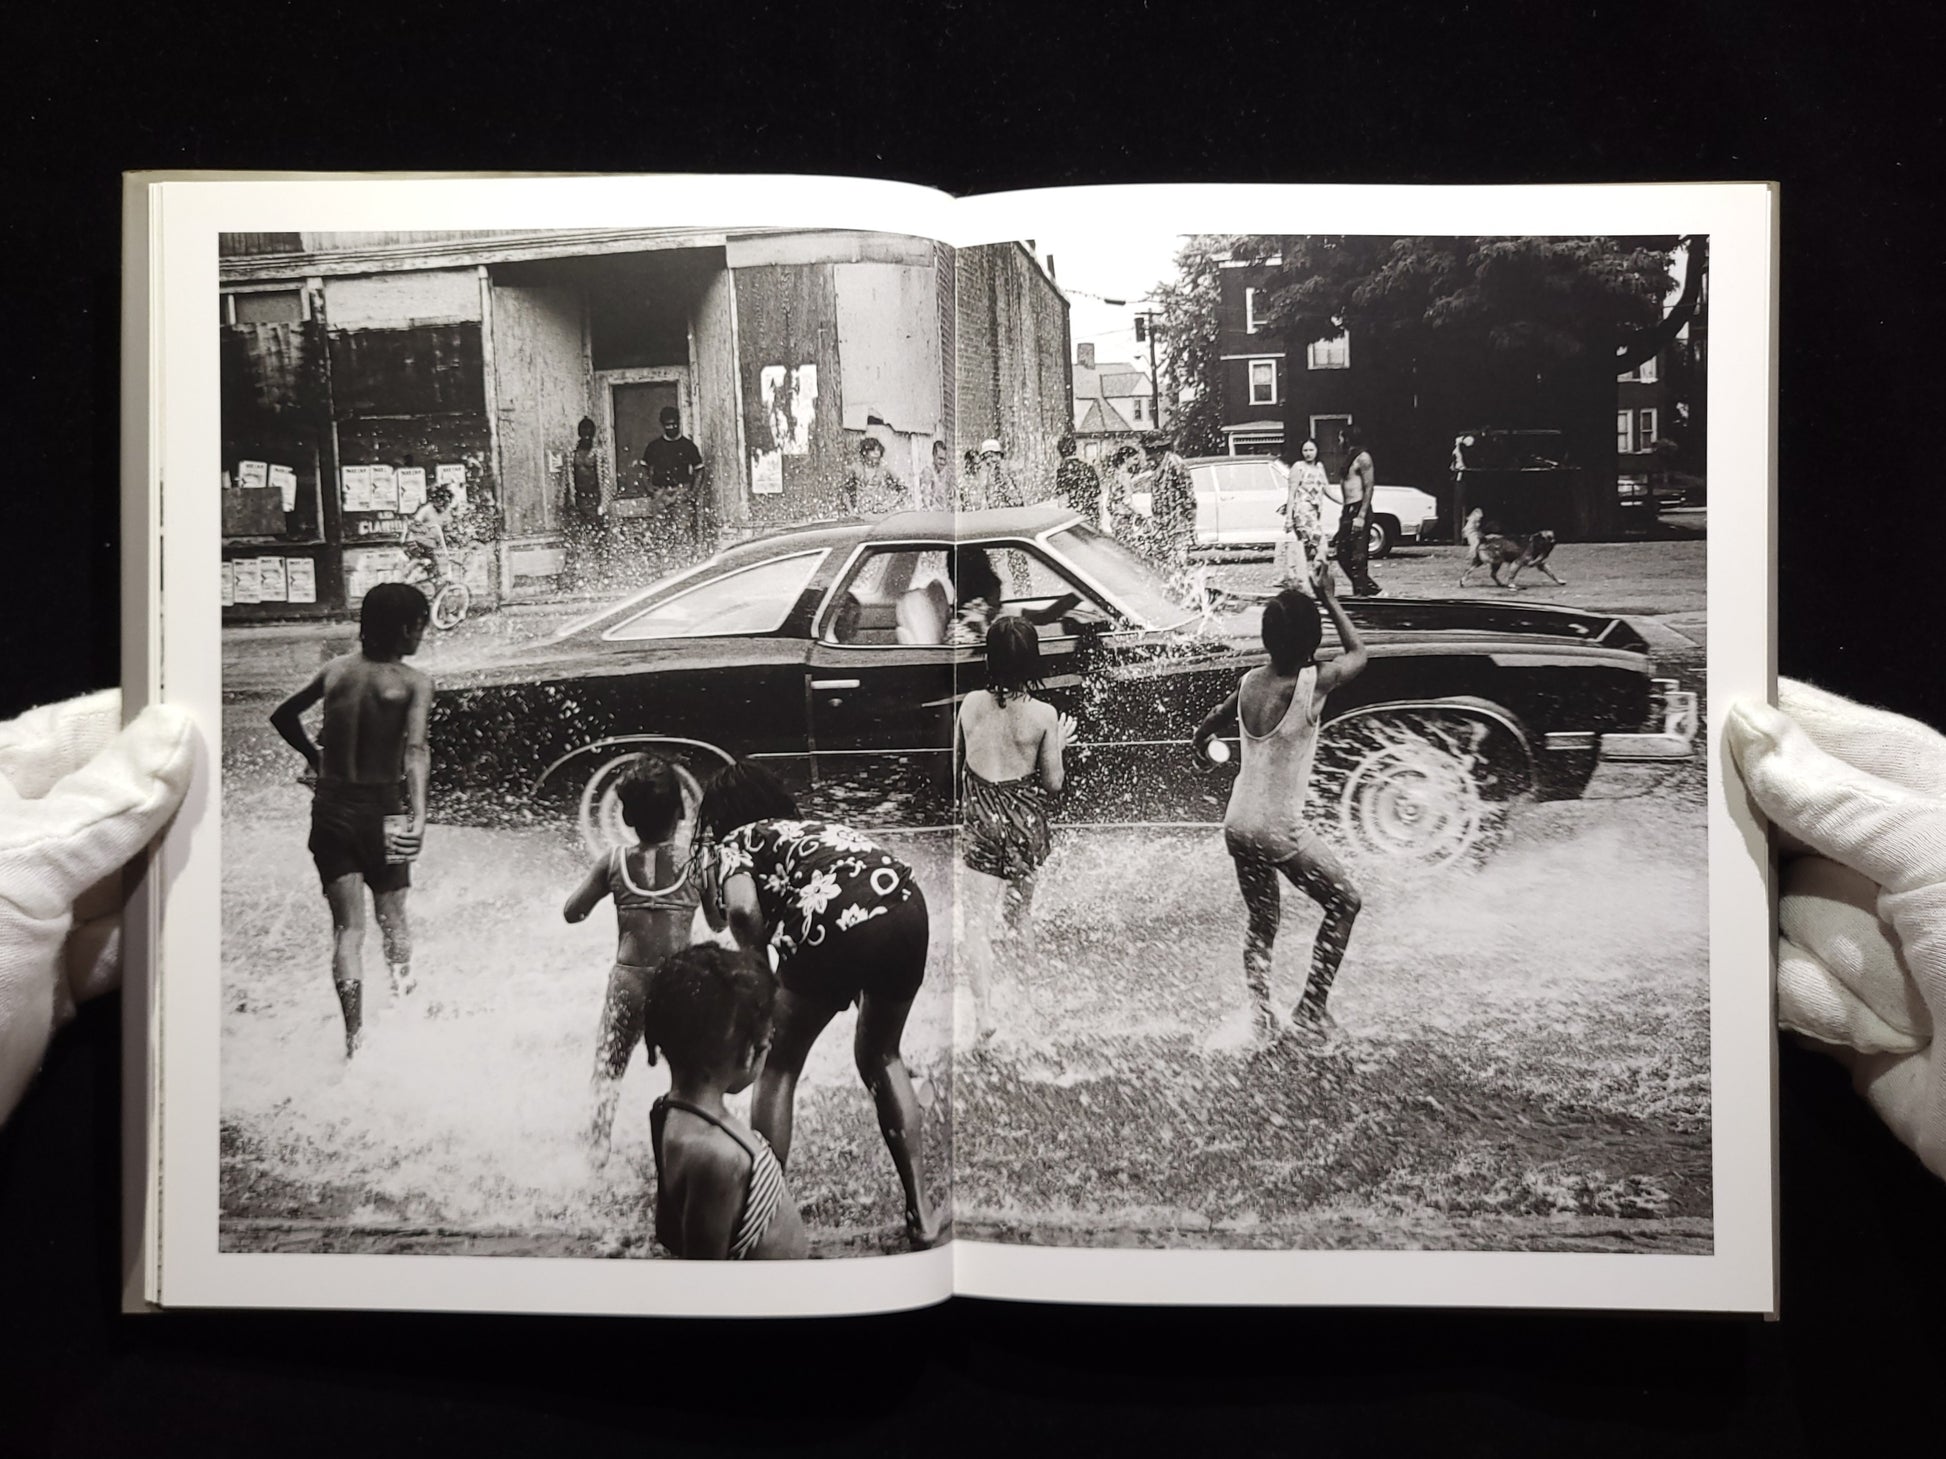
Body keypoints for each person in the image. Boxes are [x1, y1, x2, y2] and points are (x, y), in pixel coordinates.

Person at [694, 761, 943, 1248]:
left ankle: (765, 1218)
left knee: (779, 1068)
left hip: (833, 920)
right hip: (905, 907)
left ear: (721, 816)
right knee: (881, 1056)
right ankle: (922, 1213)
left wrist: (760, 978)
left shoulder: (734, 842)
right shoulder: (809, 831)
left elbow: (740, 911)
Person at [1193, 567, 1368, 1042]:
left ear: (1267, 639)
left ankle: (1261, 1013)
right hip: (1276, 828)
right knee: (1345, 902)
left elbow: (1206, 725)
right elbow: (1359, 654)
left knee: (1263, 920)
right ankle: (1311, 1009)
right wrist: (1330, 599)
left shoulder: (1251, 681)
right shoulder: (1312, 683)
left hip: (1237, 822)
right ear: (1310, 639)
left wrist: (1205, 754)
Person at [269, 583, 434, 1058]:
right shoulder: (414, 682)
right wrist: (419, 816)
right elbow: (416, 750)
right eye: (420, 627)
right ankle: (404, 1003)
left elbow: (283, 716)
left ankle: (354, 1036)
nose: (421, 636)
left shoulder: (334, 672)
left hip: (333, 810)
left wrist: (314, 757)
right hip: (385, 812)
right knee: (393, 916)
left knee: (348, 930)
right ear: (406, 628)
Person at [561, 758, 699, 1160]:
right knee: (688, 1076)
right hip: (679, 983)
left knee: (609, 1070)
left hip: (630, 983)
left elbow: (573, 911)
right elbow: (719, 920)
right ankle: (683, 1145)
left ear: (627, 815)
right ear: (682, 811)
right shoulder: (694, 861)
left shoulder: (614, 862)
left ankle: (598, 1146)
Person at [643, 943, 809, 1260]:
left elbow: (670, 1228)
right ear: (750, 1053)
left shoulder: (666, 1113)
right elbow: (707, 1281)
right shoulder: (721, 1158)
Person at [954, 617, 1077, 1039]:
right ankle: (1029, 1004)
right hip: (1024, 826)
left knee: (976, 924)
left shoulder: (969, 704)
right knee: (1020, 918)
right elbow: (1053, 784)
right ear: (1032, 662)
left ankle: (985, 1015)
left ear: (989, 659)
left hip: (983, 821)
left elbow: (959, 767)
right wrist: (1057, 744)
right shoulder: (1044, 715)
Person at [639, 405, 705, 569]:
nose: (672, 427)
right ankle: (663, 567)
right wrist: (649, 488)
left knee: (683, 531)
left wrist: (693, 492)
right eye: (668, 424)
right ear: (663, 425)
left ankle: (683, 567)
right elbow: (644, 468)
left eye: (674, 424)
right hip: (661, 493)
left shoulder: (688, 446)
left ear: (679, 423)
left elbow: (700, 470)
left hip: (681, 491)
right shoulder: (654, 446)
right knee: (660, 532)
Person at [1330, 424, 1383, 597]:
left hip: (1359, 507)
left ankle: (1362, 594)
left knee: (1357, 557)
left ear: (1348, 438)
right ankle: (1371, 589)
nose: (1339, 442)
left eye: (1341, 437)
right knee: (1342, 554)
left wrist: (1361, 515)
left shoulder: (1363, 458)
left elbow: (1369, 487)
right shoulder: (1349, 458)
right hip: (1348, 509)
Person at [1143, 431, 1196, 596]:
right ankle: (1172, 591)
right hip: (1162, 525)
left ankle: (1184, 593)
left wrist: (1189, 525)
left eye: (1149, 452)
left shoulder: (1175, 464)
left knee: (1179, 562)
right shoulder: (1158, 467)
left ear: (1158, 450)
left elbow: (1189, 496)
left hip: (1177, 525)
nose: (1147, 457)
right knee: (1163, 562)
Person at [1275, 438, 1331, 591]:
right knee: (1321, 545)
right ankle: (1316, 581)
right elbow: (1291, 494)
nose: (1308, 453)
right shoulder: (1298, 467)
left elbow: (1327, 489)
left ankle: (1299, 581)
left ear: (1317, 451)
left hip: (1314, 512)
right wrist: (1288, 519)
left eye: (1311, 450)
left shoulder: (1320, 467)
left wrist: (1346, 502)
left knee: (1306, 549)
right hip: (1302, 512)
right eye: (1305, 450)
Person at [562, 415, 607, 587]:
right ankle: (577, 576)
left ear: (594, 433)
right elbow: (566, 480)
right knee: (576, 540)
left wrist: (603, 504)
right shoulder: (571, 454)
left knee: (598, 540)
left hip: (594, 500)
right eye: (584, 431)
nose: (587, 435)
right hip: (578, 501)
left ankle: (600, 575)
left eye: (590, 431)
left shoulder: (599, 454)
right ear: (579, 433)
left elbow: (605, 479)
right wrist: (564, 502)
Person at [400, 485, 457, 587]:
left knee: (437, 565)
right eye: (440, 501)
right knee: (429, 563)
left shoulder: (446, 512)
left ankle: (433, 585)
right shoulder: (426, 510)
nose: (443, 505)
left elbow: (448, 527)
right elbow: (414, 525)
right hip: (418, 542)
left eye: (446, 503)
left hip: (431, 543)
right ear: (435, 500)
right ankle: (410, 581)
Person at [844, 435, 910, 516]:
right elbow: (845, 493)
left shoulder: (884, 470)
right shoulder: (856, 469)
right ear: (865, 452)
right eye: (873, 450)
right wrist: (851, 512)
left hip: (881, 514)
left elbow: (904, 489)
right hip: (860, 514)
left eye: (878, 450)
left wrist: (890, 505)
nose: (876, 453)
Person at [1054, 433, 1101, 523]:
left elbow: (1063, 497)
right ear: (1075, 449)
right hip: (1090, 513)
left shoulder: (1063, 470)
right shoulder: (1088, 467)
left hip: (1074, 516)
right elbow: (1096, 493)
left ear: (1060, 452)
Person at [915, 438, 955, 513]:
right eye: (940, 459)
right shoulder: (928, 472)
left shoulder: (945, 474)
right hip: (932, 517)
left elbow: (949, 500)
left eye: (945, 459)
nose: (943, 462)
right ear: (933, 455)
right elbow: (926, 501)